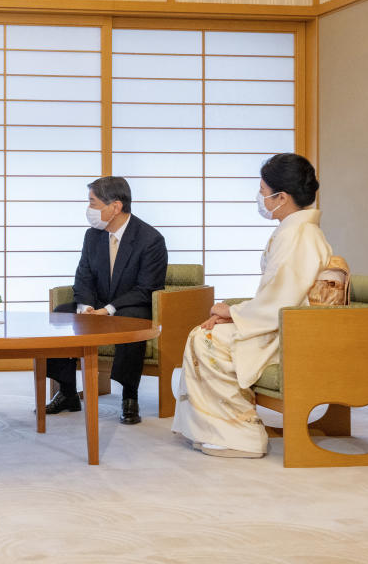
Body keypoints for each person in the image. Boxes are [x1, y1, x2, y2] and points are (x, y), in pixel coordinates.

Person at [172, 153, 332, 459]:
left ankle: (241, 435)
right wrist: (233, 314)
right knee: (204, 333)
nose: (260, 199)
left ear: (281, 197)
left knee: (205, 339)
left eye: (263, 192)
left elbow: (282, 300)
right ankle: (217, 428)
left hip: (293, 330)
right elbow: (277, 295)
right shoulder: (295, 230)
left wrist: (232, 313)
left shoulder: (301, 235)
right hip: (281, 320)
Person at [46, 176, 168, 425]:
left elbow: (147, 289)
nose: (89, 210)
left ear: (115, 207)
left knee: (132, 321)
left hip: (130, 306)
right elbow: (83, 277)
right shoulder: (93, 236)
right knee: (60, 314)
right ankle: (68, 392)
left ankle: (129, 397)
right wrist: (86, 307)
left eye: (93, 203)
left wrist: (109, 310)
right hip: (96, 304)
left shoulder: (151, 240)